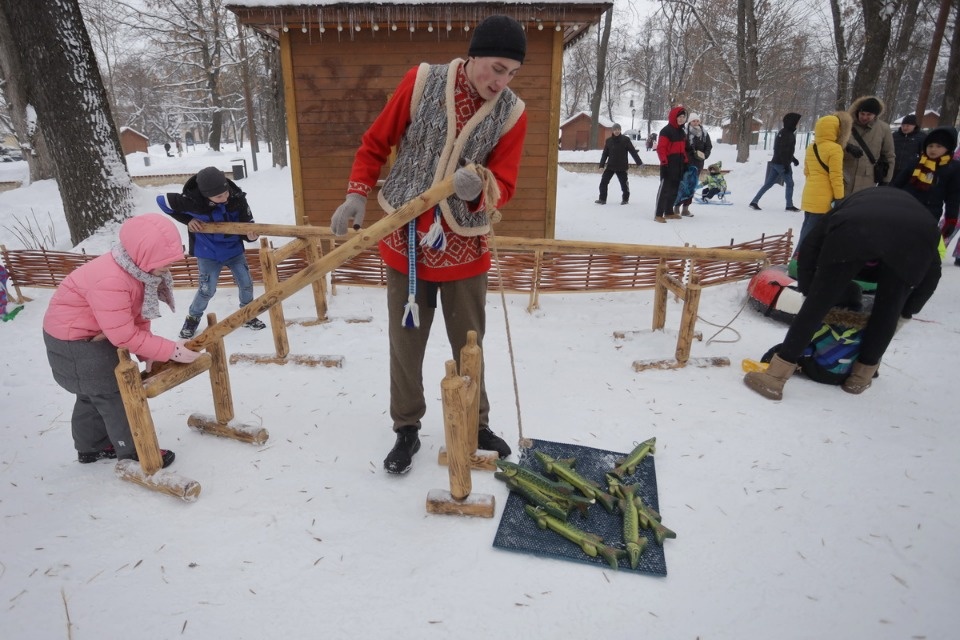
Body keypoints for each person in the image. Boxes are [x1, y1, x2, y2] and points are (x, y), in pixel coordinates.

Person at [328, 14, 526, 474]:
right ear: (473, 54)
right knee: (406, 344)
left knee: (469, 346)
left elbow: (506, 183)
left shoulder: (512, 113)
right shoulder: (422, 81)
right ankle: (406, 428)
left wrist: (481, 188)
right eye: (496, 67)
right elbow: (376, 142)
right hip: (407, 244)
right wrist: (357, 193)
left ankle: (476, 425)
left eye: (511, 73)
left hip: (465, 252)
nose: (501, 81)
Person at [743, 189, 941, 401]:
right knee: (888, 312)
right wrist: (904, 313)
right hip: (912, 240)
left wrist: (812, 294)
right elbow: (932, 276)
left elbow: (810, 247)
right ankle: (860, 379)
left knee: (816, 306)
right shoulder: (923, 225)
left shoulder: (849, 207)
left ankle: (774, 378)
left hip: (855, 231)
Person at [42, 214, 202, 466]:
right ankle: (136, 451)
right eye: (162, 263)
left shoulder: (134, 270)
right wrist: (170, 350)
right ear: (142, 255)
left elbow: (133, 318)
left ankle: (91, 446)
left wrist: (148, 351)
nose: (167, 269)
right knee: (113, 394)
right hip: (75, 343)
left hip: (86, 336)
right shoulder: (112, 280)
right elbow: (123, 334)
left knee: (91, 393)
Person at [156, 166, 266, 338]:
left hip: (234, 251)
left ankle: (248, 314)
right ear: (205, 194)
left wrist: (251, 236)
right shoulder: (191, 200)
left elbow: (248, 224)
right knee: (207, 290)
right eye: (219, 196)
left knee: (246, 283)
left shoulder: (236, 198)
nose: (225, 198)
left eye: (225, 192)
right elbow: (162, 201)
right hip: (208, 254)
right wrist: (188, 219)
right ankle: (192, 320)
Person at [892, 126, 960, 264]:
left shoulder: (953, 168)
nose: (933, 149)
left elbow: (953, 196)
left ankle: (912, 267)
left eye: (939, 146)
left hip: (929, 212)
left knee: (918, 244)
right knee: (897, 239)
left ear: (948, 148)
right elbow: (897, 183)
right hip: (905, 207)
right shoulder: (917, 162)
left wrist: (951, 219)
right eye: (930, 145)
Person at [797, 111, 851, 253]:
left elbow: (806, 172)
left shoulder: (811, 147)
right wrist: (840, 197)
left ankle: (798, 256)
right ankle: (799, 259)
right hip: (824, 197)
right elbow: (836, 176)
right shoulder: (835, 149)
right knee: (812, 233)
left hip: (809, 192)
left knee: (806, 227)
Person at [749, 112, 802, 211]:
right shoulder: (788, 134)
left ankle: (754, 201)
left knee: (768, 184)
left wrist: (793, 159)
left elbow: (784, 150)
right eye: (797, 121)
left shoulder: (783, 132)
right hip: (781, 164)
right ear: (792, 122)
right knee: (790, 184)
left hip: (776, 162)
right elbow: (783, 151)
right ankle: (789, 205)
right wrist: (786, 165)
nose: (798, 123)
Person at [842, 96, 895, 194]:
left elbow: (889, 155)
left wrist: (886, 180)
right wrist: (847, 147)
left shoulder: (884, 129)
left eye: (869, 114)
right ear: (858, 111)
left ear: (875, 115)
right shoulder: (846, 124)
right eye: (862, 113)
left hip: (868, 180)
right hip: (844, 176)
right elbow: (834, 145)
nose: (864, 117)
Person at [673, 113, 712, 217]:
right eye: (693, 121)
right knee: (683, 185)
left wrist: (705, 155)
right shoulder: (685, 132)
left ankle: (685, 209)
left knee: (692, 186)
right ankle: (676, 207)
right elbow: (682, 147)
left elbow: (708, 146)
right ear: (690, 121)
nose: (696, 122)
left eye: (697, 121)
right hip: (687, 163)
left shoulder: (704, 133)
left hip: (698, 163)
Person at [654, 105, 688, 223]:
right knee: (664, 190)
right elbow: (661, 149)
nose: (682, 119)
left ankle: (668, 212)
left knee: (674, 190)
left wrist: (685, 161)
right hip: (668, 165)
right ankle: (658, 214)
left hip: (679, 165)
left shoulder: (682, 132)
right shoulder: (666, 131)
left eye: (684, 117)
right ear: (674, 117)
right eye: (679, 116)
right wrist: (664, 162)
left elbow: (683, 149)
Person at [595, 123, 643, 205]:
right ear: (612, 131)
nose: (617, 131)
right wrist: (601, 166)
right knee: (603, 182)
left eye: (618, 129)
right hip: (610, 166)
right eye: (615, 129)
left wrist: (639, 163)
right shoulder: (609, 141)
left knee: (624, 184)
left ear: (620, 130)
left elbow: (632, 151)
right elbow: (605, 154)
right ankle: (602, 199)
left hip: (622, 166)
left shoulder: (625, 140)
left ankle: (625, 199)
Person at [891, 114, 923, 180]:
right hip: (892, 168)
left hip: (909, 171)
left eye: (908, 126)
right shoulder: (894, 136)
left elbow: (923, 154)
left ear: (914, 126)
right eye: (903, 125)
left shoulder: (921, 137)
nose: (905, 128)